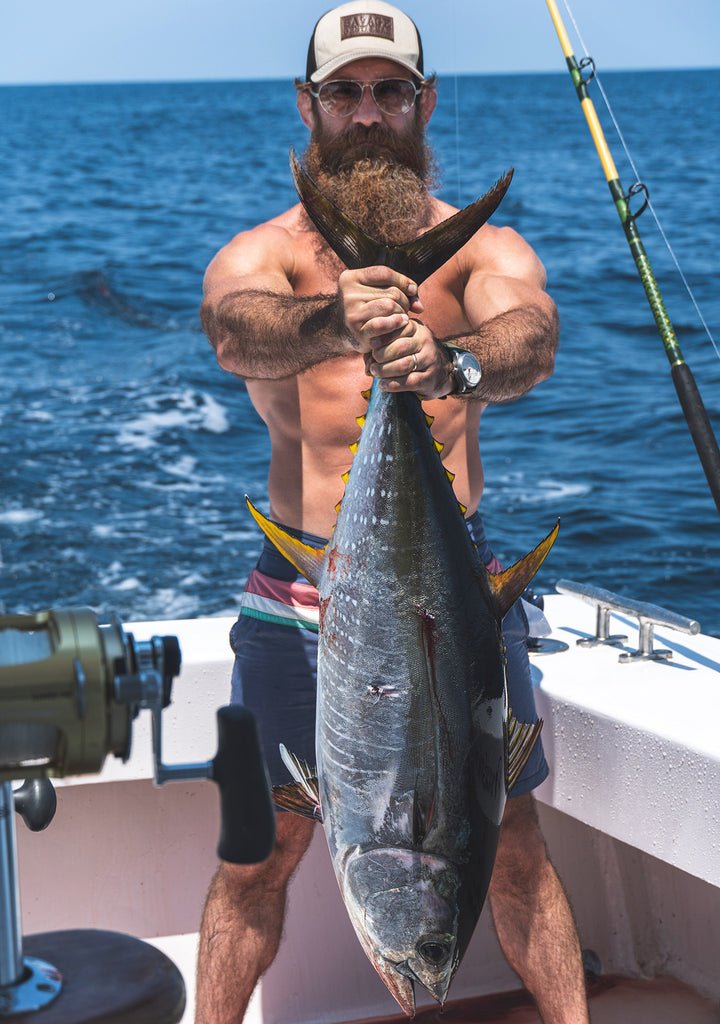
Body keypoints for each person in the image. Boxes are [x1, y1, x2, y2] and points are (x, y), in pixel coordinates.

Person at [196, 3, 590, 1022]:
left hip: (444, 602)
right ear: (309, 105)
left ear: (425, 102)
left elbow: (533, 338)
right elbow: (235, 332)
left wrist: (452, 360)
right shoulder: (272, 256)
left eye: (390, 91)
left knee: (508, 837)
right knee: (259, 850)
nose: (368, 114)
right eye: (345, 93)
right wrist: (334, 321)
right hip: (302, 596)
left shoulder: (476, 251)